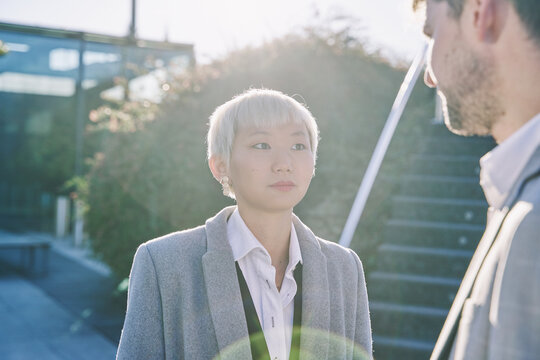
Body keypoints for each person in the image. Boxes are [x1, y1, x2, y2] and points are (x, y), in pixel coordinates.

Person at [116, 89, 372, 360]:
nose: (284, 164)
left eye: (298, 146)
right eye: (262, 145)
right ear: (220, 166)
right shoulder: (163, 263)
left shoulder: (344, 267)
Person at [414, 0, 540, 359]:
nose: (429, 75)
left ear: (479, 13)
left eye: (432, 34)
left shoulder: (535, 220)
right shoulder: (519, 191)